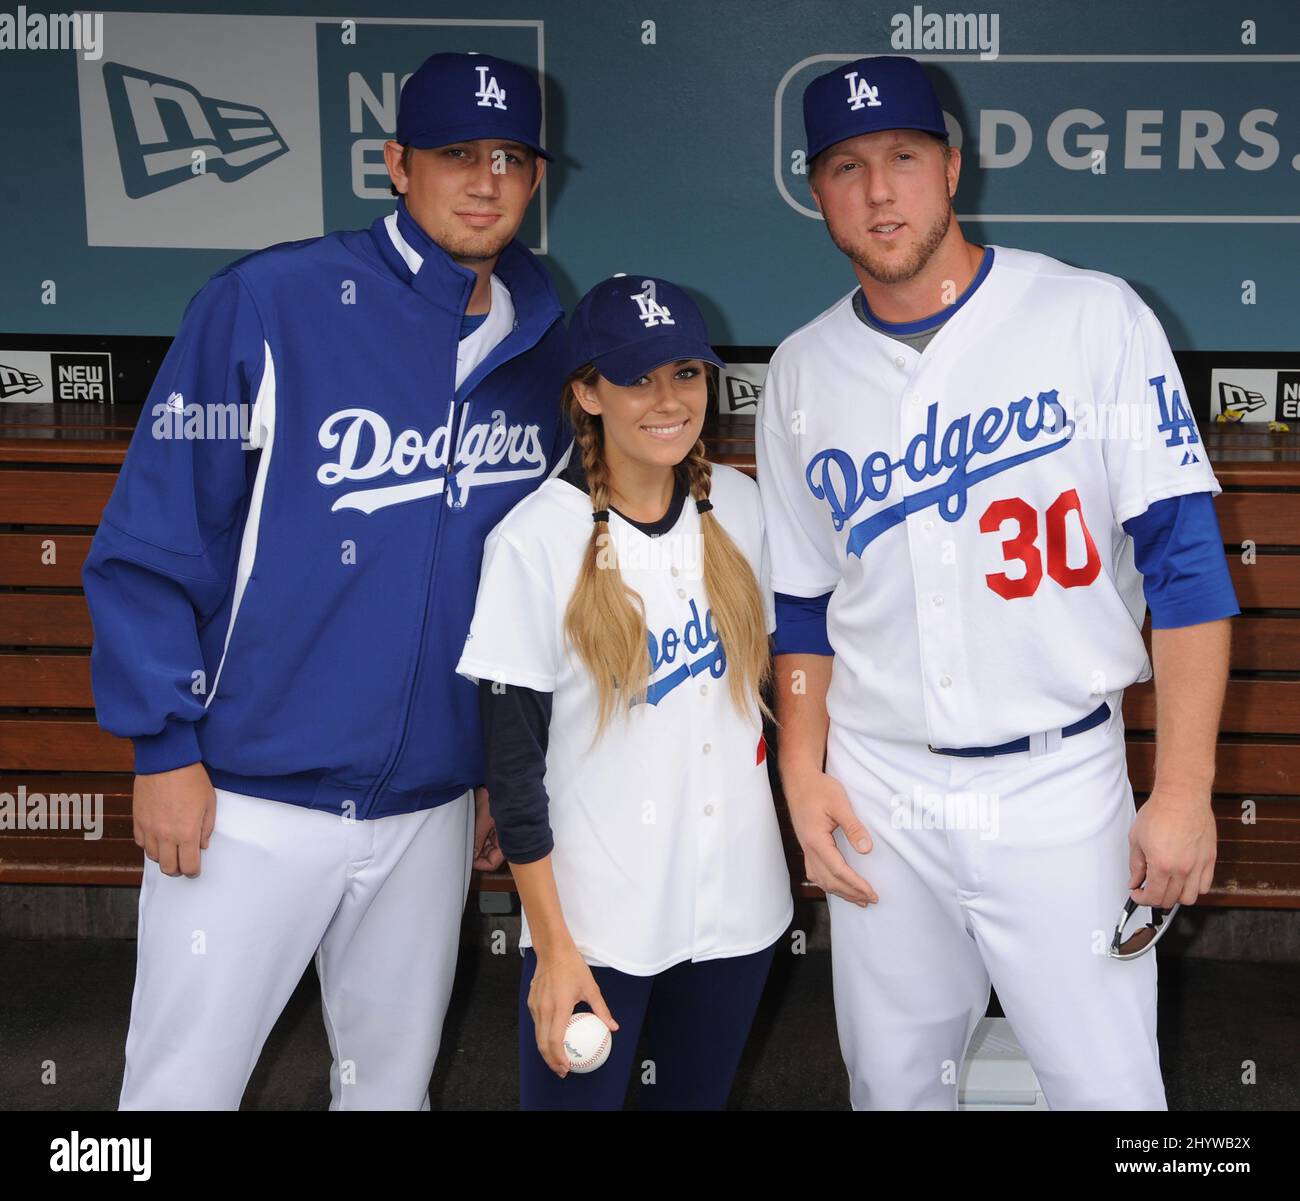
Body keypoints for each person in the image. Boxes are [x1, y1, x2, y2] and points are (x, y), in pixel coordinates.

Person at [82, 52, 570, 1110]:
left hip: (431, 809)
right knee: (178, 1092)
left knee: (389, 1091)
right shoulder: (269, 302)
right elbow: (153, 540)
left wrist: (495, 764)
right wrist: (163, 746)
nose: (485, 180)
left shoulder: (540, 347)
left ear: (537, 179)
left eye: (510, 158)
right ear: (396, 164)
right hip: (247, 797)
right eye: (454, 154)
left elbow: (522, 593)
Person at [755, 55, 1238, 1110]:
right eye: (846, 167)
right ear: (816, 189)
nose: (879, 191)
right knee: (892, 1088)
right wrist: (802, 771)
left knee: (1108, 1091)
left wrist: (1186, 790)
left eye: (903, 158)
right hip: (879, 784)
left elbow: (1186, 563)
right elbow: (800, 605)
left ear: (952, 167)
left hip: (1056, 783)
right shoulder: (800, 368)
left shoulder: (1090, 316)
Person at [456, 275, 794, 1110]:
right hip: (597, 924)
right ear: (585, 391)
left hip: (737, 908)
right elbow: (514, 771)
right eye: (637, 377)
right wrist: (553, 943)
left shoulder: (743, 509)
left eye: (685, 372)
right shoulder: (533, 541)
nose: (668, 399)